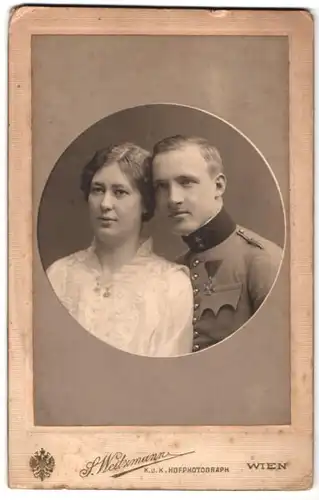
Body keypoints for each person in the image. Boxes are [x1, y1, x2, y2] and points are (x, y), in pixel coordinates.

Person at [46, 143, 193, 357]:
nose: (105, 203)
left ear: (145, 204)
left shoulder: (171, 286)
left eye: (120, 192)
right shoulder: (59, 275)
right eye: (97, 190)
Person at [151, 135, 283, 353]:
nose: (173, 198)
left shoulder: (261, 260)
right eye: (161, 186)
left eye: (186, 182)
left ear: (218, 186)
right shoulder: (177, 268)